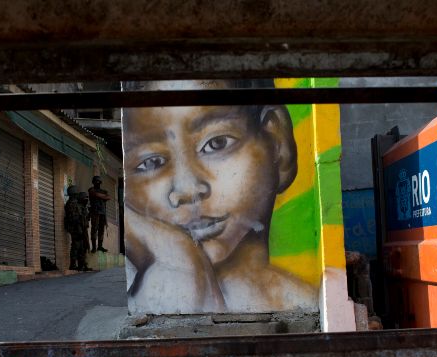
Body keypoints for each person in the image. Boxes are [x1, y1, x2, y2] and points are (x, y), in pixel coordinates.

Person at [121, 79, 318, 313]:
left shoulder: (315, 307)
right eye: (152, 162)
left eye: (216, 143)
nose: (188, 189)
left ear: (277, 142)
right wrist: (181, 265)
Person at [64, 186, 91, 271]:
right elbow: (73, 217)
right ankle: (73, 265)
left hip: (80, 226)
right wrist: (79, 226)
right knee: (76, 246)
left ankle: (82, 265)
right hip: (75, 227)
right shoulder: (71, 204)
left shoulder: (75, 203)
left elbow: (82, 215)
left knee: (82, 246)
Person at [88, 175, 111, 252]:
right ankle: (94, 247)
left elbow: (108, 197)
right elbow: (95, 194)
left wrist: (101, 196)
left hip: (102, 213)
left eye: (98, 182)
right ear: (93, 182)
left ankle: (100, 246)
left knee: (101, 230)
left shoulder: (104, 191)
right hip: (95, 212)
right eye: (96, 181)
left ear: (100, 183)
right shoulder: (91, 189)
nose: (97, 183)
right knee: (94, 229)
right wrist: (103, 196)